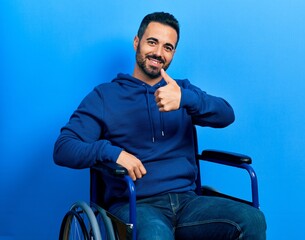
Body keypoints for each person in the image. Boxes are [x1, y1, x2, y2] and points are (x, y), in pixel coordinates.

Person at [54, 11, 266, 240]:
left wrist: (185, 99)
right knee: (155, 235)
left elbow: (226, 115)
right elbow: (63, 148)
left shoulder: (180, 90)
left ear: (173, 53)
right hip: (136, 204)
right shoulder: (105, 97)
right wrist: (111, 152)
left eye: (168, 47)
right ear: (137, 42)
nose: (158, 53)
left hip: (187, 202)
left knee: (251, 219)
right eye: (152, 42)